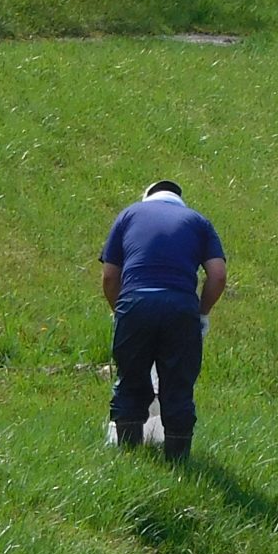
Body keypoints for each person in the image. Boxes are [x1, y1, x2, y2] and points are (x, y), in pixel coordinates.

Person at [100, 181, 228, 465]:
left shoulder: (128, 215)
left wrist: (121, 311)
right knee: (178, 386)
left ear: (147, 197)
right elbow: (217, 275)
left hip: (135, 302)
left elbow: (109, 276)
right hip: (181, 308)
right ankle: (178, 464)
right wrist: (201, 313)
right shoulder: (198, 222)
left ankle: (129, 459)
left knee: (130, 381)